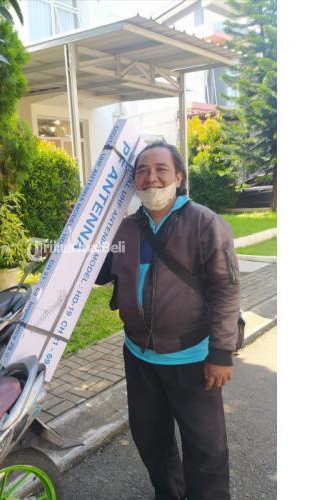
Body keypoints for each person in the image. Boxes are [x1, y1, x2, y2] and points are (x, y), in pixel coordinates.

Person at [95, 141, 241, 500]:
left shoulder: (204, 223)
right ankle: (169, 493)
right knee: (150, 439)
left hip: (192, 358)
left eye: (161, 169)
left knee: (205, 448)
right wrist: (88, 228)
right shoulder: (126, 230)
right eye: (142, 171)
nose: (151, 178)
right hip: (139, 357)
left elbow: (226, 289)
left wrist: (221, 353)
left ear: (178, 176)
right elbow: (99, 275)